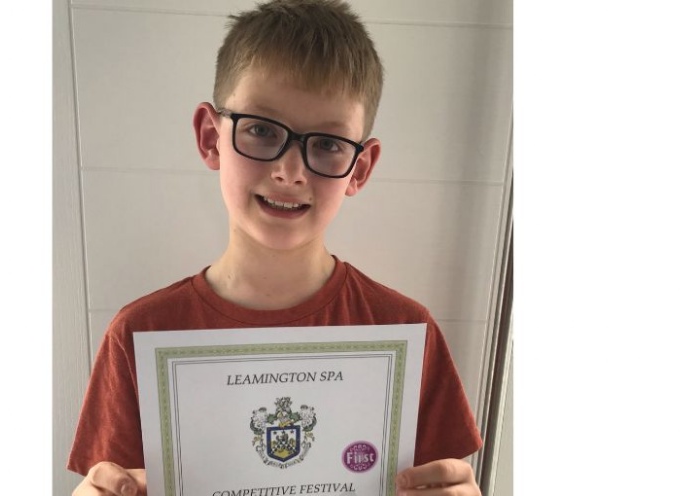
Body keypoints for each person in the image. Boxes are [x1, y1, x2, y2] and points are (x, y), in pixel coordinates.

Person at [68, 1, 483, 494]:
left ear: (360, 168)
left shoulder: (406, 331)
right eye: (262, 131)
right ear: (210, 138)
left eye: (328, 143)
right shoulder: (138, 335)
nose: (290, 171)